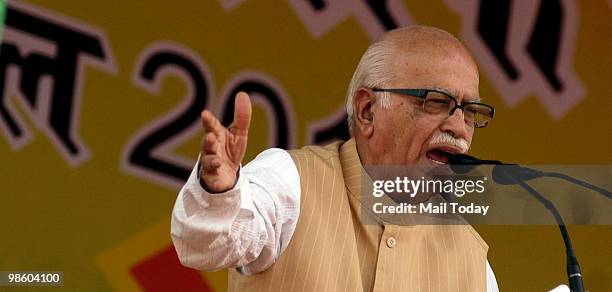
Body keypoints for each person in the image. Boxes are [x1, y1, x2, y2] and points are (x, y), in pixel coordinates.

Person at [171, 25, 499, 291]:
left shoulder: (472, 261)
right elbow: (203, 243)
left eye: (470, 111)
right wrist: (218, 193)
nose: (458, 127)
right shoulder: (291, 182)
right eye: (435, 102)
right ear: (367, 110)